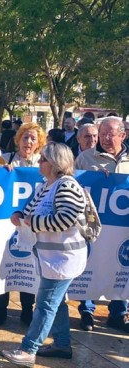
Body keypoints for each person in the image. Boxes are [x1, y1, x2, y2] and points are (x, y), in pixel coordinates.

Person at [2, 142, 88, 367]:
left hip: (63, 260)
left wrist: (33, 222)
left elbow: (65, 219)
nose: (39, 162)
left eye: (43, 159)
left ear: (55, 163)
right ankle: (62, 344)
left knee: (45, 304)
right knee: (55, 304)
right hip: (52, 259)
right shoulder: (46, 185)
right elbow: (30, 210)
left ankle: (28, 349)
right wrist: (18, 214)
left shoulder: (66, 186)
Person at [75, 117, 128, 332]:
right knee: (91, 263)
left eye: (111, 134)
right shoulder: (86, 159)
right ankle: (87, 311)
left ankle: (118, 313)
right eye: (102, 133)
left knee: (121, 266)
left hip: (122, 226)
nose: (105, 138)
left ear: (123, 136)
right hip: (93, 224)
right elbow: (73, 185)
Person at [0, 122, 47, 326]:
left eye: (33, 138)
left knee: (28, 266)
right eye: (25, 137)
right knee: (5, 264)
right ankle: (0, 309)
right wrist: (1, 171)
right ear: (19, 139)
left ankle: (26, 309)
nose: (29, 142)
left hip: (30, 222)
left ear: (39, 142)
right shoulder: (5, 159)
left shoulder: (42, 163)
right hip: (6, 223)